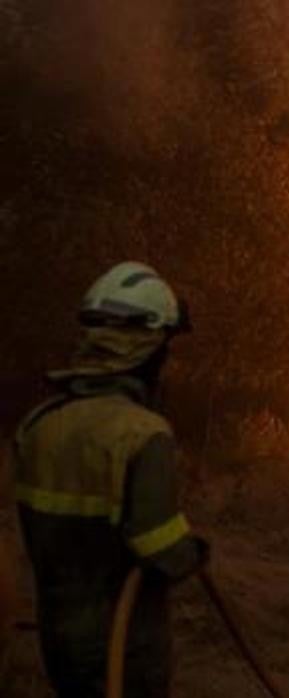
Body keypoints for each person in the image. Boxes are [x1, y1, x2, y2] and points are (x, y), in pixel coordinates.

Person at [12, 262, 207, 697]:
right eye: (164, 347)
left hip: (58, 636)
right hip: (126, 646)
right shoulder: (142, 435)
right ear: (147, 346)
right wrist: (195, 551)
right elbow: (164, 553)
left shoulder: (38, 425)